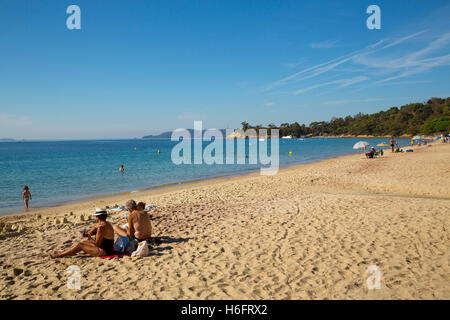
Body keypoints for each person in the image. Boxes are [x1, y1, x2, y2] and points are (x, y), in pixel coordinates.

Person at [50, 208, 115, 258]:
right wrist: (93, 229)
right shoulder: (107, 224)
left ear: (98, 217)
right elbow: (91, 233)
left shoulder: (101, 228)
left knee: (80, 245)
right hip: (109, 249)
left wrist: (89, 237)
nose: (95, 218)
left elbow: (97, 244)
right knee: (83, 242)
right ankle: (68, 252)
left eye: (95, 216)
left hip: (104, 252)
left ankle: (60, 255)